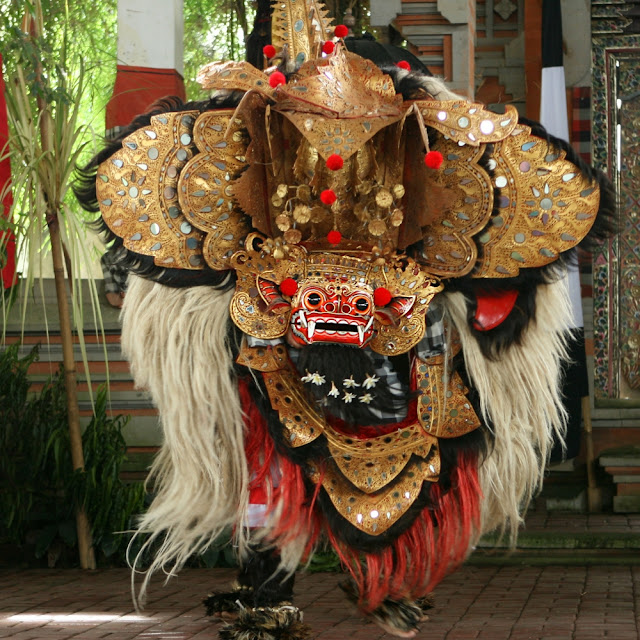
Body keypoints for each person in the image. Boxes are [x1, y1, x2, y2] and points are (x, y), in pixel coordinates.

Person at [76, 3, 614, 637]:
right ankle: (272, 587)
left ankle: (387, 580)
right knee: (272, 462)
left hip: (396, 335)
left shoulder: (423, 125)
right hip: (281, 329)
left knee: (410, 465)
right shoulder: (249, 129)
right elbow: (179, 237)